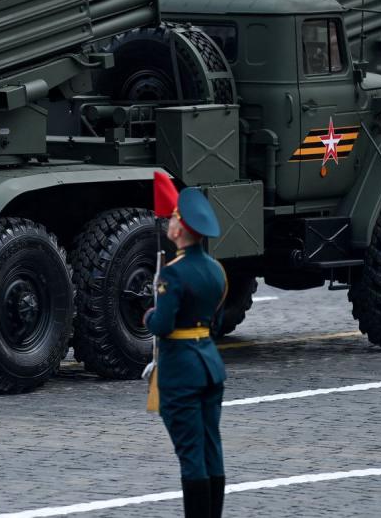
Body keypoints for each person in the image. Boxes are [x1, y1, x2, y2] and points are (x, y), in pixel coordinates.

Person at [144, 187, 228, 518]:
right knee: (211, 448)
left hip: (182, 370)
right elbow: (214, 317)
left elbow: (163, 325)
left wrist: (149, 316)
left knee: (191, 453)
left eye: (174, 218)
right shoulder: (216, 270)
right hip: (210, 365)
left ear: (181, 229)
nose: (169, 223)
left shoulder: (174, 273)